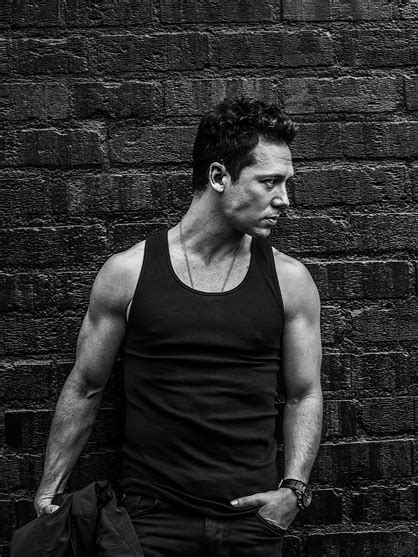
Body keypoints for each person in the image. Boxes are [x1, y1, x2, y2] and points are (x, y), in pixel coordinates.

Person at [34, 97, 323, 556]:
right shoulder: (128, 273)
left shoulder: (291, 280)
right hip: (151, 520)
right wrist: (49, 492)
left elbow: (304, 394)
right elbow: (86, 386)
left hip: (251, 522)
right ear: (219, 177)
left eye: (286, 183)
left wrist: (294, 490)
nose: (284, 199)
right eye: (269, 182)